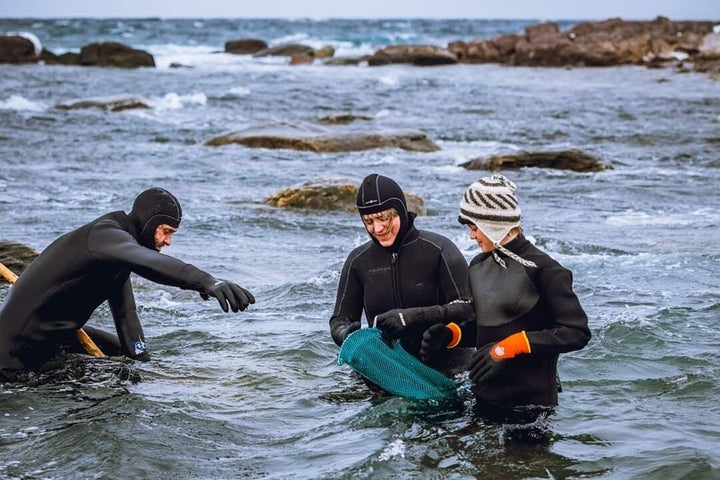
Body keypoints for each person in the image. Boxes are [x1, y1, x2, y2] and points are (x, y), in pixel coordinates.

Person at [0, 187, 255, 374]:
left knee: (128, 363)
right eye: (166, 232)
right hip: (13, 352)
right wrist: (206, 281)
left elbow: (126, 316)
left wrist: (144, 363)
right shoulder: (105, 236)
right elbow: (148, 263)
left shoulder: (116, 255)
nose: (168, 242)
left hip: (55, 339)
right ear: (148, 223)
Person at [420, 174, 591, 409]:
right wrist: (454, 335)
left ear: (493, 223)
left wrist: (509, 347)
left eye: (474, 227)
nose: (471, 235)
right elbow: (487, 325)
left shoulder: (546, 270)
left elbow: (577, 332)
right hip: (483, 397)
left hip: (531, 405)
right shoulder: (478, 266)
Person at [329, 173, 474, 377]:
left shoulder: (439, 249)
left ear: (400, 210)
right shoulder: (358, 261)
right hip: (387, 373)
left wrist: (412, 317)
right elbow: (339, 319)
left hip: (449, 371)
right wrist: (347, 334)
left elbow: (468, 308)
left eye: (383, 218)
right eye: (368, 221)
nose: (377, 228)